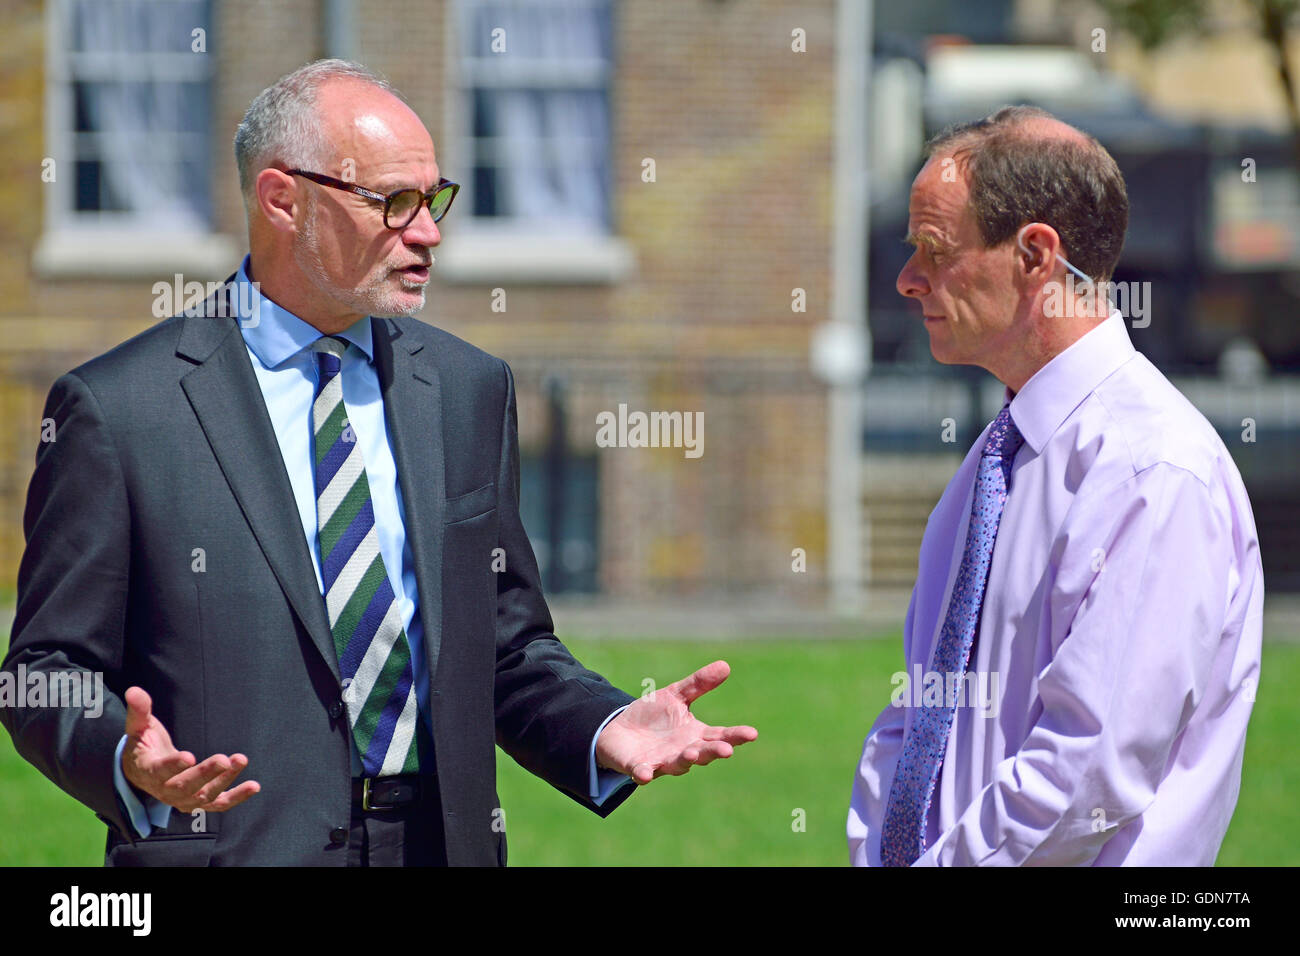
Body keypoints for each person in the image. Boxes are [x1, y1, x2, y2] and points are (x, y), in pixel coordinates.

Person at [1, 59, 756, 866]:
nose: (427, 232)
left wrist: (606, 724)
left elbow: (503, 647)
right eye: (392, 203)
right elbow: (46, 669)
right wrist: (125, 756)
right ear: (283, 200)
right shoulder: (121, 408)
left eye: (432, 201)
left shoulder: (468, 389)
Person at [847, 106, 1263, 866]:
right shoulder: (1002, 455)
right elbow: (918, 716)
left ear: (1036, 255)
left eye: (934, 250)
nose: (908, 280)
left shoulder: (1153, 471)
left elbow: (1088, 771)